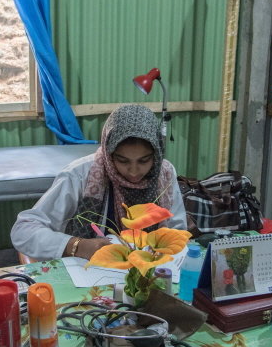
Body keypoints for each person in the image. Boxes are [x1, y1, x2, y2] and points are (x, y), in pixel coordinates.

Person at [11, 104, 186, 261]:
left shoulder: (164, 173)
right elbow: (23, 230)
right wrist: (76, 246)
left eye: (144, 160)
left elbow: (177, 230)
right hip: (90, 272)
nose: (134, 172)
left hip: (145, 271)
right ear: (109, 154)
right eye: (123, 161)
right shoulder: (79, 175)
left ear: (156, 154)